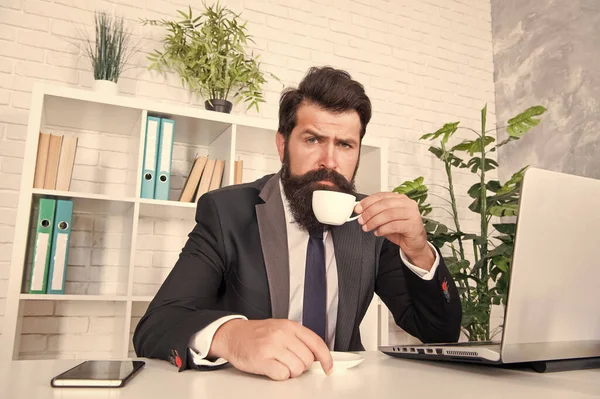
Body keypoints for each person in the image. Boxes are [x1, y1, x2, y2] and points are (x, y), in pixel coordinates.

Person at [133, 66, 462, 381]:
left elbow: (439, 333)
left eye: (345, 145)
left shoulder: (371, 223)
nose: (329, 162)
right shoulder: (226, 212)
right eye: (313, 140)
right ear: (282, 145)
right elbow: (156, 326)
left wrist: (419, 250)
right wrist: (231, 336)